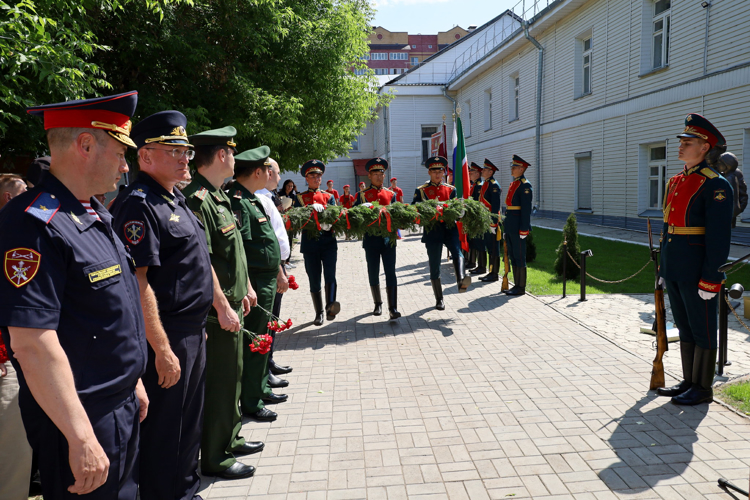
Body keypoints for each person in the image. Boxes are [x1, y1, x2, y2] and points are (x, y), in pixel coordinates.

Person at [0, 90, 148, 500]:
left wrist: (131, 379)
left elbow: (106, 314)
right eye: (120, 152)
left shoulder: (92, 212)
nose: (125, 165)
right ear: (85, 144)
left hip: (116, 406)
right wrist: (80, 437)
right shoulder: (33, 224)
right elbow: (32, 343)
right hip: (79, 418)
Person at [110, 110, 232, 500]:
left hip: (191, 332)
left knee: (188, 424)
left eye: (186, 150)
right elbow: (138, 281)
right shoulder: (138, 205)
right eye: (174, 150)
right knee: (165, 429)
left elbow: (198, 261)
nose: (185, 158)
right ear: (145, 156)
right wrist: (161, 348)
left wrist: (217, 307)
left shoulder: (174, 198)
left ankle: (185, 490)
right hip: (168, 335)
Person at [182, 126, 262, 480]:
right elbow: (206, 262)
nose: (234, 157)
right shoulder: (197, 200)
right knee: (220, 382)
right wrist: (221, 305)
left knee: (234, 376)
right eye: (230, 151)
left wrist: (244, 288)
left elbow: (233, 254)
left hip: (233, 303)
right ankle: (216, 457)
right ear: (220, 156)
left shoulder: (218, 197)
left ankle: (230, 437)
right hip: (219, 313)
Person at [656, 113, 733, 406]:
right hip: (676, 265)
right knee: (685, 326)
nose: (681, 145)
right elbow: (667, 227)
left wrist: (712, 277)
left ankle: (703, 388)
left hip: (697, 268)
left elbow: (718, 238)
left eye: (688, 142)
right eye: (682, 141)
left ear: (704, 147)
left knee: (702, 328)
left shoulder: (716, 184)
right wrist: (664, 266)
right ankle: (689, 381)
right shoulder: (676, 180)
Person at [227, 147, 289, 422]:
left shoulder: (251, 200)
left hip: (266, 280)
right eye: (267, 169)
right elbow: (240, 251)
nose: (271, 173)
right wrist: (249, 287)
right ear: (256, 172)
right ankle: (251, 401)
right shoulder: (239, 202)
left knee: (262, 342)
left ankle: (260, 388)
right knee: (256, 345)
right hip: (256, 282)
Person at [412, 156, 471, 310]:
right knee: (434, 264)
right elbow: (414, 209)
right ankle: (439, 299)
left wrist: (460, 212)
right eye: (435, 171)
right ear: (429, 172)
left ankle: (461, 280)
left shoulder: (451, 189)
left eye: (441, 171)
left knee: (457, 252)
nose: (438, 174)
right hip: (433, 230)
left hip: (449, 228)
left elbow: (456, 207)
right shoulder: (421, 190)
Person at [254, 157, 292, 386]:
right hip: (270, 269)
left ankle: (269, 360)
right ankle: (263, 369)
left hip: (276, 266)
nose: (279, 178)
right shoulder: (259, 198)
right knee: (267, 319)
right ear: (268, 173)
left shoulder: (268, 197)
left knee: (273, 317)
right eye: (277, 173)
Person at [293, 160, 339, 325]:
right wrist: (308, 210)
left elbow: (336, 216)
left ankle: (330, 307)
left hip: (328, 242)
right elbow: (295, 218)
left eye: (318, 175)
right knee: (314, 278)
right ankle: (319, 312)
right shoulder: (300, 197)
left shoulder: (330, 196)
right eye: (312, 175)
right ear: (306, 178)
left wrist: (329, 220)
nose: (316, 178)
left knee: (330, 275)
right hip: (310, 243)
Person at [354, 158, 401, 319]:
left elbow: (397, 214)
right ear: (369, 175)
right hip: (371, 240)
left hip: (389, 240)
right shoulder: (362, 195)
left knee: (390, 272)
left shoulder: (391, 194)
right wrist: (360, 207)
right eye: (375, 173)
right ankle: (378, 303)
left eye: (381, 173)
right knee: (373, 272)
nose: (379, 177)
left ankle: (393, 307)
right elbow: (353, 216)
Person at [503, 155, 533, 296]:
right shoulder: (514, 183)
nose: (512, 169)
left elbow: (526, 210)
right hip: (511, 225)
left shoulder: (525, 185)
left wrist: (524, 229)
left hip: (518, 227)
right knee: (514, 256)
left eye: (514, 167)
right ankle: (516, 285)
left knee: (519, 256)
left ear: (521, 169)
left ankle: (521, 287)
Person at [478, 159, 503, 283]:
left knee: (494, 248)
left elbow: (495, 206)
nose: (482, 171)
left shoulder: (494, 185)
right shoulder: (486, 183)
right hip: (485, 220)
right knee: (489, 247)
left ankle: (494, 273)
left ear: (491, 171)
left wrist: (493, 222)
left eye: (485, 170)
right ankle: (490, 271)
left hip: (491, 221)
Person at [715, 152, 748, 228]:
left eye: (719, 163)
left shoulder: (730, 178)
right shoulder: (728, 176)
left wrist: (734, 212)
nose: (717, 165)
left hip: (728, 214)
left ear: (726, 165)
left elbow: (733, 199)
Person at [467, 162, 485, 273]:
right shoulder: (474, 185)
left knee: (479, 243)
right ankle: (473, 262)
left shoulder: (479, 186)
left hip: (478, 218)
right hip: (473, 218)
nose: (469, 174)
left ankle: (482, 267)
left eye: (471, 172)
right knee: (473, 241)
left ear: (477, 174)